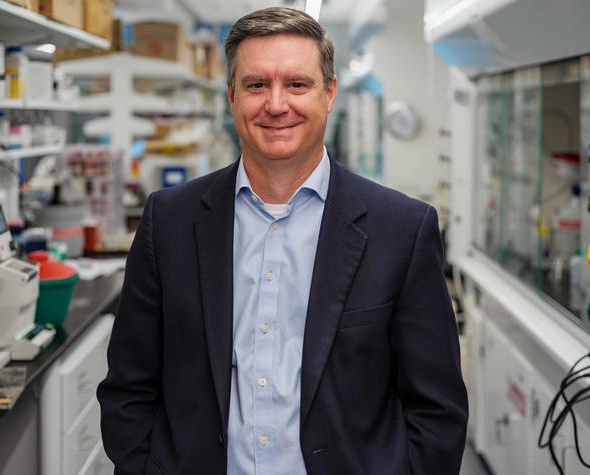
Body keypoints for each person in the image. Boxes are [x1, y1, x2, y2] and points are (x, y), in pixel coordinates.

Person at [98, 6, 468, 475]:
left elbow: (437, 410)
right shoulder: (169, 220)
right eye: (256, 85)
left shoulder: (402, 230)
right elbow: (129, 385)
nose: (276, 104)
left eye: (297, 84)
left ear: (328, 92)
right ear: (231, 95)